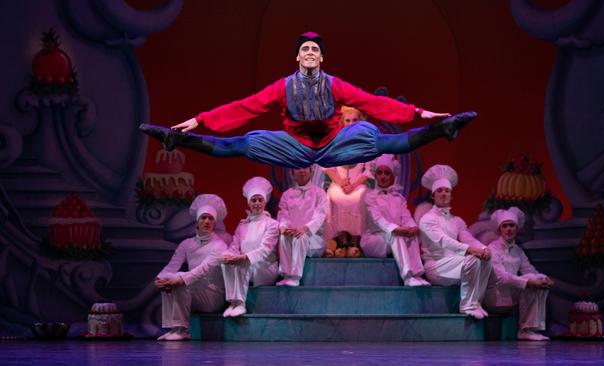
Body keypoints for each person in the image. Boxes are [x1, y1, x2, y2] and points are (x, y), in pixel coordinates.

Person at [140, 32, 477, 169]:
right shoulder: (282, 87)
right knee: (239, 145)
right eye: (305, 49)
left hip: (333, 143)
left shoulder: (335, 85)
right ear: (297, 58)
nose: (311, 53)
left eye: (315, 49)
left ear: (322, 59)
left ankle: (443, 131)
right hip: (296, 146)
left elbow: (373, 103)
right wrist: (200, 119)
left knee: (384, 141)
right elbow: (246, 107)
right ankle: (177, 139)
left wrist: (420, 113)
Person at [418, 165, 492, 319]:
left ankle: (476, 301)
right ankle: (467, 305)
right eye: (440, 191)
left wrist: (484, 249)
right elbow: (444, 241)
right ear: (433, 195)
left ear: (451, 195)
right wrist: (472, 250)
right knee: (472, 259)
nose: (444, 194)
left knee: (485, 259)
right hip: (436, 266)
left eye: (447, 191)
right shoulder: (427, 219)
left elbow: (468, 238)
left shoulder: (456, 220)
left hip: (455, 263)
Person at [154, 194, 229, 341]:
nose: (207, 221)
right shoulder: (187, 244)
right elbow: (171, 266)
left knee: (180, 280)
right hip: (194, 291)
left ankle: (182, 330)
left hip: (212, 297)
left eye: (210, 218)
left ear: (215, 223)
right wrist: (160, 279)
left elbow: (201, 270)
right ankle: (173, 328)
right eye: (203, 218)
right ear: (197, 221)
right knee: (169, 278)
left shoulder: (219, 245)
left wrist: (179, 279)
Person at [483, 207, 554, 341]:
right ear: (500, 229)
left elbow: (530, 270)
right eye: (505, 226)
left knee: (538, 278)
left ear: (517, 229)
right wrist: (528, 282)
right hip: (494, 296)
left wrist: (545, 279)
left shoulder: (518, 251)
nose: (509, 229)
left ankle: (530, 329)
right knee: (531, 280)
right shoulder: (492, 249)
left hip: (511, 294)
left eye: (512, 225)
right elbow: (502, 277)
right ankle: (525, 329)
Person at [360, 154, 430, 286]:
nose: (383, 176)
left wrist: (412, 227)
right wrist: (397, 229)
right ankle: (407, 277)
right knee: (395, 235)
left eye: (386, 173)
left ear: (392, 176)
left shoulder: (399, 198)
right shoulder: (370, 197)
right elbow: (377, 220)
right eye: (380, 173)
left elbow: (406, 217)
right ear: (375, 175)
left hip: (392, 237)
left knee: (412, 235)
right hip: (374, 240)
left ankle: (417, 274)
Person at [220, 177, 279, 317]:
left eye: (260, 200)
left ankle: (240, 304)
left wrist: (244, 258)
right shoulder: (243, 225)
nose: (257, 203)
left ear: (265, 201)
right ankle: (233, 302)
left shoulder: (272, 224)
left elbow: (265, 250)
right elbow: (234, 246)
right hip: (247, 266)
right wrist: (227, 255)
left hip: (265, 268)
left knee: (241, 263)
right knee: (226, 264)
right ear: (249, 203)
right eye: (254, 200)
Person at [324, 107, 372, 256]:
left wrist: (354, 185)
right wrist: (341, 182)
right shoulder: (335, 142)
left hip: (358, 184)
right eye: (348, 120)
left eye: (355, 120)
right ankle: (340, 238)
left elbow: (368, 170)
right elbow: (328, 167)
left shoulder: (366, 142)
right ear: (342, 122)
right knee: (334, 195)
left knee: (359, 197)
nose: (351, 123)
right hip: (339, 184)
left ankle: (356, 239)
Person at [276, 166, 328, 286]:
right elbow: (283, 214)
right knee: (284, 237)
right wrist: (284, 227)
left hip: (313, 238)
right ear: (292, 172)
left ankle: (295, 277)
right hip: (293, 235)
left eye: (305, 167)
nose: (301, 171)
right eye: (297, 168)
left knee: (301, 236)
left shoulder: (319, 193)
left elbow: (320, 215)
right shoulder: (287, 194)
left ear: (311, 171)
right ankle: (285, 274)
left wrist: (305, 229)